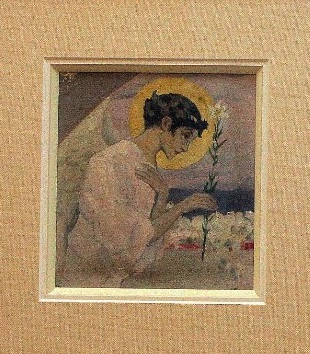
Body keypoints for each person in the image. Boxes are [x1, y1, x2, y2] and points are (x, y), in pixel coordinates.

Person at [60, 92, 217, 287]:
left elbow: (146, 239)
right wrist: (182, 207)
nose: (186, 148)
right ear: (166, 124)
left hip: (114, 278)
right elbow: (122, 237)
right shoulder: (110, 161)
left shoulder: (149, 168)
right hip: (86, 276)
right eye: (185, 136)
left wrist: (162, 195)